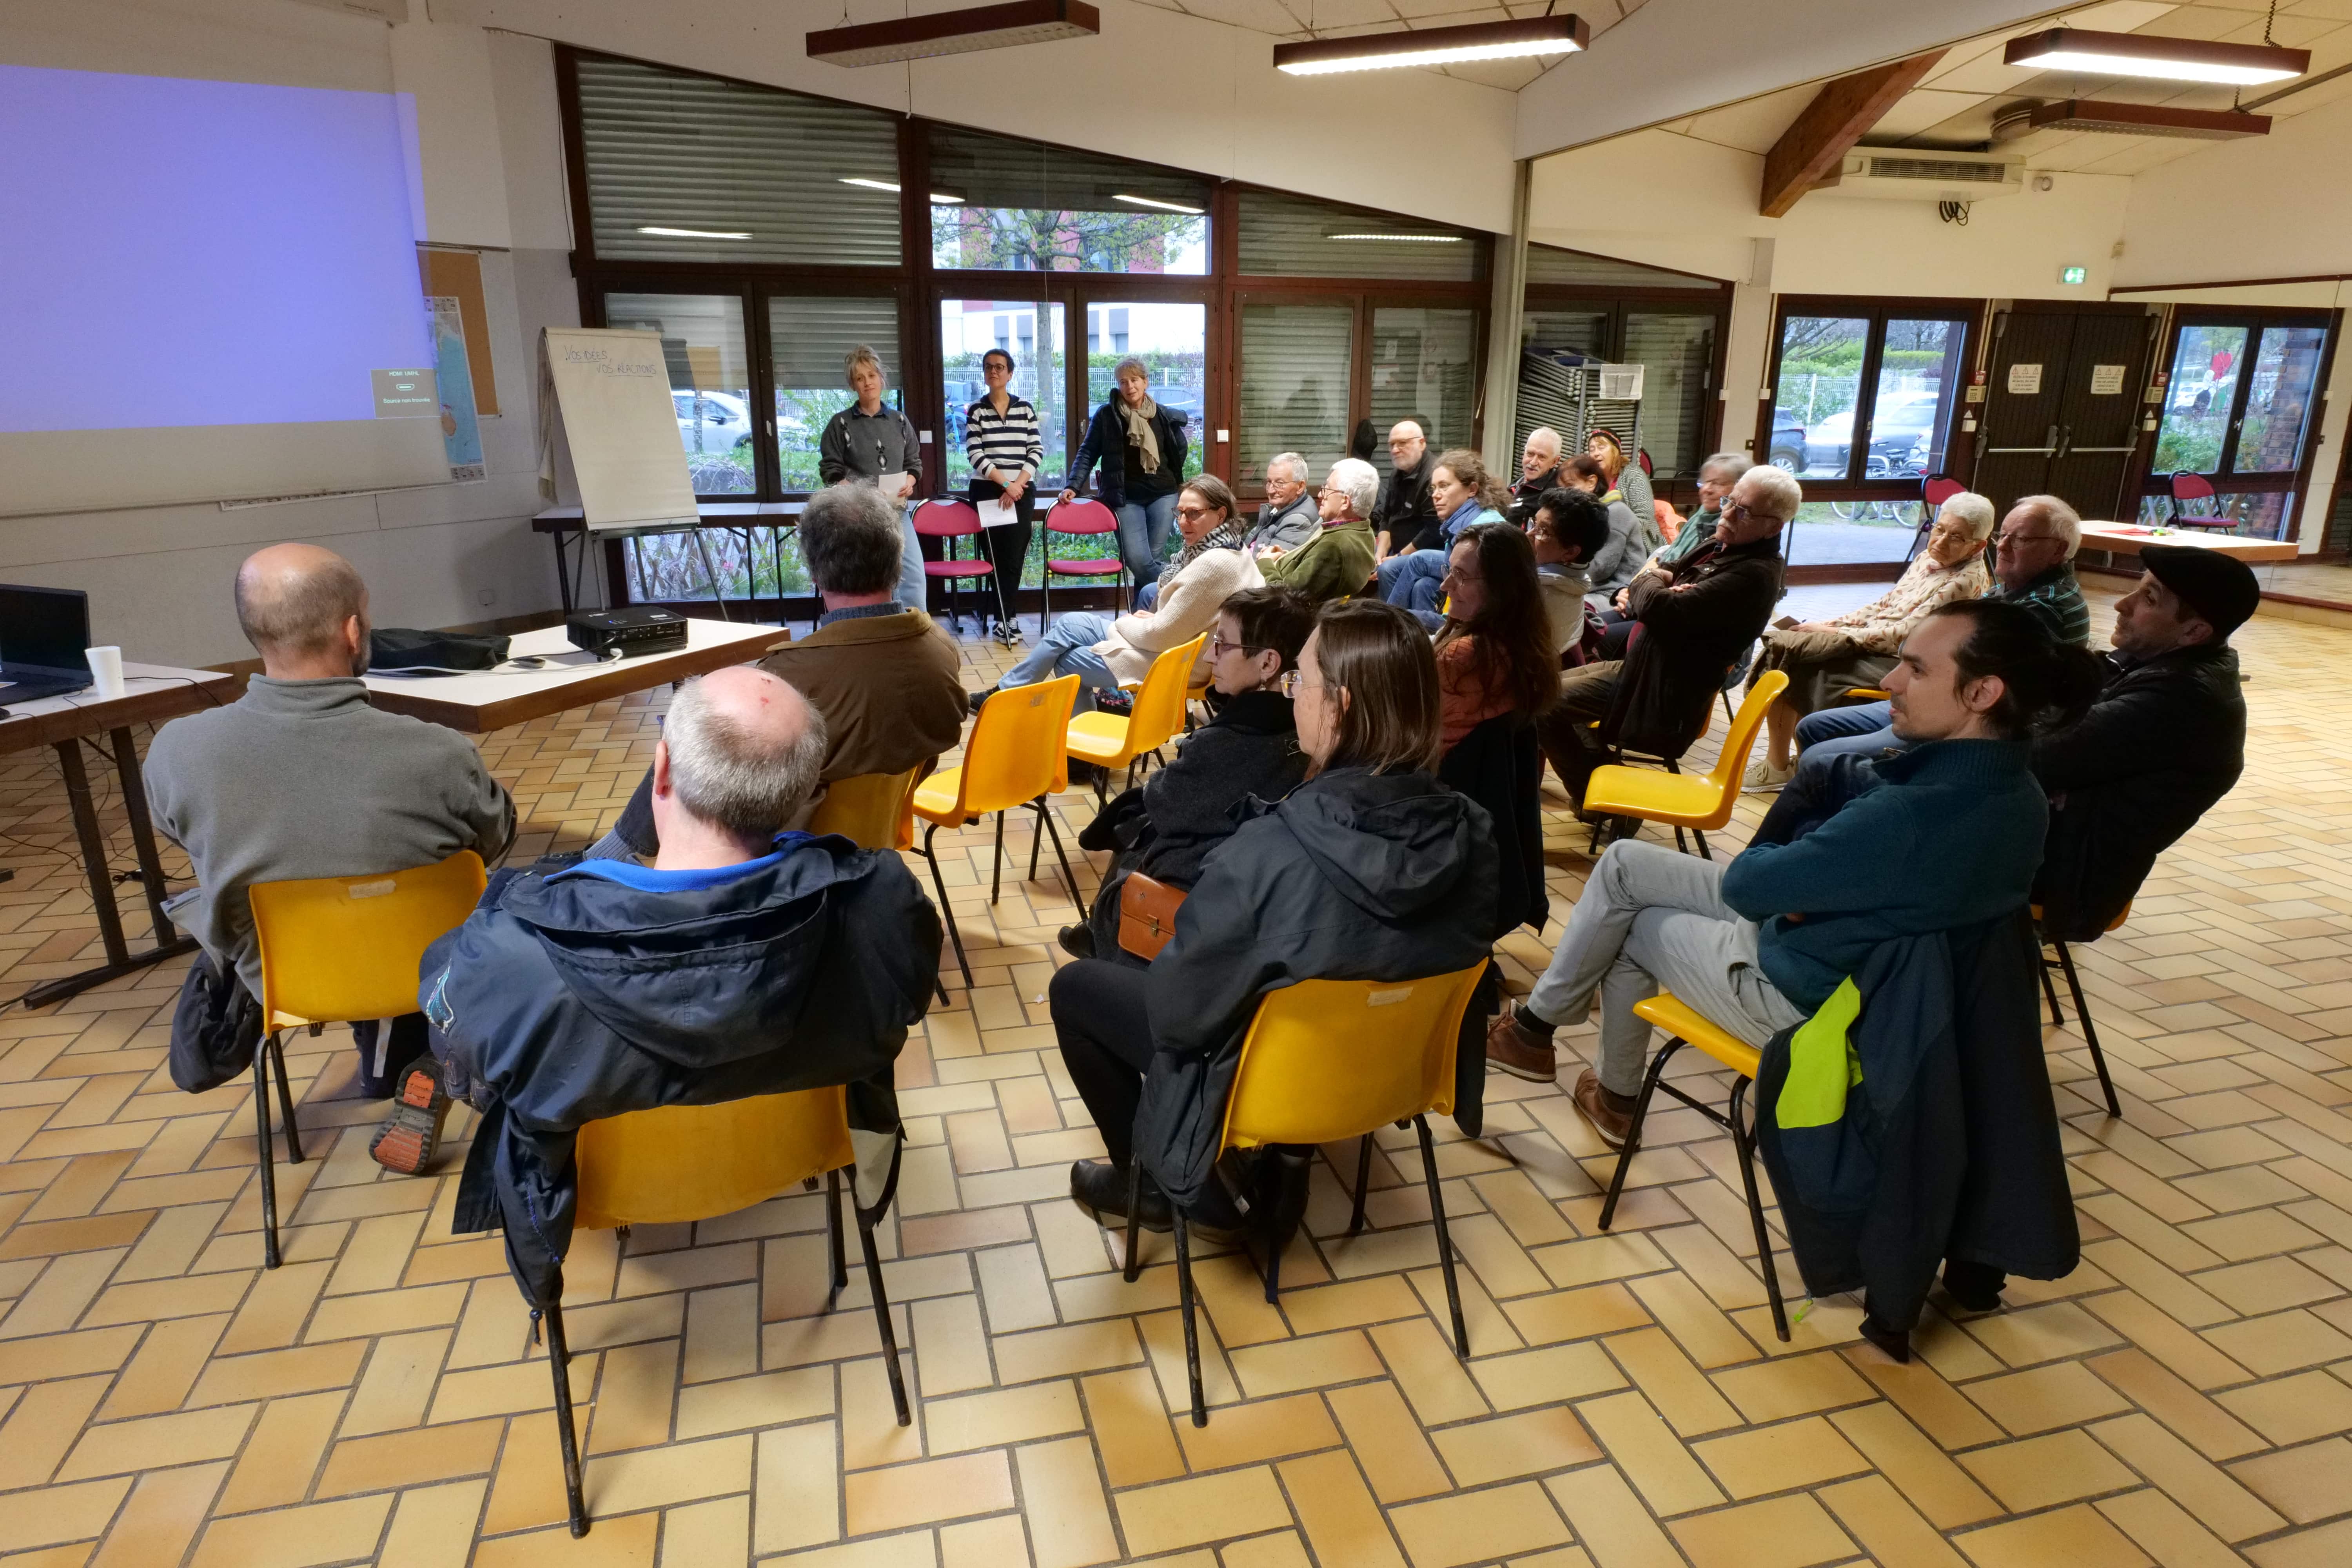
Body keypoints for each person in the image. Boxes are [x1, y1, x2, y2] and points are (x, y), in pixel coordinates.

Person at [1487, 600, 2103, 1172]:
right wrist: (1813, 882)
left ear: (1983, 693)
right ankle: (1536, 1031)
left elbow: (1754, 885)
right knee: (1624, 863)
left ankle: (1611, 1094)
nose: (1889, 682)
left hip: (1816, 1006)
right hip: (1861, 970)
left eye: (1914, 669)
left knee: (1630, 927)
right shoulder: (2020, 795)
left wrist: (1805, 877)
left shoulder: (1910, 813)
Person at [420, 668, 938, 1295]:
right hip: (803, 1146)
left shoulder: (514, 956)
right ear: (803, 791)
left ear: (659, 772)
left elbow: (454, 1031)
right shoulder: (881, 903)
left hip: (600, 1188)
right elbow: (903, 1001)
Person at [1052, 600, 1501, 1233]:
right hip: (1394, 1073)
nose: (1294, 698)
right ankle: (1289, 1167)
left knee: (1076, 987)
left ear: (1340, 706)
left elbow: (1181, 1014)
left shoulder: (1267, 853)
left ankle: (1147, 1184)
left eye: (1303, 681)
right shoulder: (1474, 833)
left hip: (1266, 1086)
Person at [145, 543, 514, 1111]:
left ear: (254, 631)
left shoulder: (177, 751)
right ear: (353, 630)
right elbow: (494, 838)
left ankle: (386, 1054)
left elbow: (180, 831)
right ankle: (423, 1058)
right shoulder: (436, 750)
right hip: (423, 967)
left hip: (282, 980)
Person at [600, 483, 968, 858]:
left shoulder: (788, 677)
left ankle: (613, 853)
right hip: (880, 840)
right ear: (896, 559)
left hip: (790, 854)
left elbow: (747, 786)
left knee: (690, 742)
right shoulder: (940, 650)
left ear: (814, 572)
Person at [1061, 586, 1316, 962]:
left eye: (1224, 645)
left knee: (1137, 824)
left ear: (1268, 664)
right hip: (1263, 889)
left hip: (1198, 898)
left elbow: (1166, 804)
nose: (1211, 654)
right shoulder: (1307, 724)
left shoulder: (1230, 744)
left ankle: (1103, 935)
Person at [1535, 465, 1795, 808]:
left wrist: (1652, 585)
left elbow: (1656, 603)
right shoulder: (1725, 545)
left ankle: (1601, 802)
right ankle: (1605, 791)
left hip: (1662, 693)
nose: (1727, 511)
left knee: (1540, 706)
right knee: (1540, 690)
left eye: (1742, 510)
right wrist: (1657, 583)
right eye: (1731, 501)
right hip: (1641, 668)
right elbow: (1661, 572)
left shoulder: (1753, 574)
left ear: (1772, 527)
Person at [2032, 544, 2252, 940]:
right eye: (2138, 587)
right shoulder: (2152, 660)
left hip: (2062, 873)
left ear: (2193, 631)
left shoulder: (2182, 698)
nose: (2122, 604)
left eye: (2149, 598)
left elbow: (2034, 756)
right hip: (2042, 835)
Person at [1791, 495, 2092, 767]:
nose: (2002, 546)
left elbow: (1981, 696)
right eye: (2004, 535)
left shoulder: (2042, 607)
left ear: (2058, 551)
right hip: (1942, 700)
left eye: (2021, 540)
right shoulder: (2014, 588)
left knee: (1820, 758)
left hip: (1967, 726)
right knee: (1812, 727)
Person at [1740, 491, 1995, 789]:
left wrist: (1838, 635)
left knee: (1805, 665)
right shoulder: (1929, 558)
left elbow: (1906, 636)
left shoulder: (1965, 579)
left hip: (1905, 660)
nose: (1940, 542)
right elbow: (1884, 605)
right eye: (1939, 530)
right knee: (1790, 648)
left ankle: (1791, 766)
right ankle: (1784, 764)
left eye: (1956, 537)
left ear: (1978, 545)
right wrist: (1827, 624)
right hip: (1876, 643)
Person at [975, 475, 1257, 716]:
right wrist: (1152, 621)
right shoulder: (1230, 547)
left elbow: (1160, 635)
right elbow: (1171, 613)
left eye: (1194, 514)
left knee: (1068, 659)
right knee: (1070, 624)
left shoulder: (1214, 562)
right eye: (1180, 513)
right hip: (1169, 645)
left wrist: (1131, 622)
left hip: (1175, 663)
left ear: (1221, 515)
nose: (1183, 522)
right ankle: (1005, 692)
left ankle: (1082, 750)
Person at [1598, 452, 1749, 658]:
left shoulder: (1730, 533)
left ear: (1740, 488)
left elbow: (1686, 586)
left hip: (1676, 624)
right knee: (1589, 626)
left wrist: (1638, 597)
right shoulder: (1700, 519)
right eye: (1705, 482)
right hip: (1652, 605)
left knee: (1599, 639)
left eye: (1719, 484)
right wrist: (1627, 592)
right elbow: (1662, 563)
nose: (1707, 490)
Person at [1434, 522, 1561, 753]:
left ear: (1501, 587)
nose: (1445, 585)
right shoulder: (1525, 644)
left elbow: (1414, 739)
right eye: (1449, 571)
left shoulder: (1463, 655)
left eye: (1460, 575)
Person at [818, 345, 926, 614]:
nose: (867, 383)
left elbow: (914, 463)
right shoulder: (840, 424)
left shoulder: (900, 421)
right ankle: (879, 635)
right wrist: (859, 493)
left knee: (913, 578)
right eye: (860, 378)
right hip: (859, 520)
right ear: (852, 385)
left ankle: (916, 634)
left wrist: (911, 481)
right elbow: (831, 471)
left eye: (872, 375)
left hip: (898, 514)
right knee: (869, 584)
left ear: (881, 378)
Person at [1065, 358, 1189, 589]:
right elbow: (1087, 453)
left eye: (1134, 380)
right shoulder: (1106, 416)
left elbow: (1180, 449)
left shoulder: (1162, 415)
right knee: (1139, 561)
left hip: (1163, 495)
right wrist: (1073, 485)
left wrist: (1172, 476)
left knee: (1153, 559)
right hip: (1125, 498)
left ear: (1145, 383)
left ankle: (1146, 617)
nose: (1129, 387)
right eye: (1123, 382)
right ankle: (1182, 590)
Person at [964, 347, 1044, 646]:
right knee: (995, 557)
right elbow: (975, 453)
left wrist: (1017, 485)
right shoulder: (977, 410)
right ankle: (1003, 620)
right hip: (988, 490)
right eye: (988, 367)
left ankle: (1008, 617)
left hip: (1021, 491)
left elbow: (1035, 451)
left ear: (1010, 373)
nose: (994, 371)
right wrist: (1004, 483)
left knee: (1014, 558)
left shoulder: (1025, 409)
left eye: (1000, 367)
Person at [1378, 449, 1510, 615]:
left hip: (1485, 619)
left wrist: (1410, 617)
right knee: (1424, 585)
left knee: (1418, 564)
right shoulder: (1465, 519)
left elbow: (1463, 615)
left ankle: (1390, 622)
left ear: (1472, 489)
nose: (1436, 495)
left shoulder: (1480, 534)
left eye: (1444, 486)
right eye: (1433, 488)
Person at [1262, 456, 1381, 604]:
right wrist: (1289, 558)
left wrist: (1265, 563)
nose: (1320, 495)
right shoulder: (1362, 530)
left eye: (1327, 490)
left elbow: (1287, 598)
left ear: (1345, 502)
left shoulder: (1334, 546)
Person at [1530, 487, 1612, 659]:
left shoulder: (1536, 594)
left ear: (1570, 553)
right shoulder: (1572, 579)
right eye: (1534, 524)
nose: (1529, 535)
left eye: (1542, 531)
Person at [1371, 421, 1439, 565]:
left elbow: (1433, 531)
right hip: (1396, 549)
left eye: (1402, 443)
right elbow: (1387, 517)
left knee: (1387, 570)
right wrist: (1381, 551)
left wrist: (1398, 557)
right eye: (1392, 445)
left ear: (1422, 443)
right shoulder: (1397, 474)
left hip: (1423, 555)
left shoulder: (1434, 476)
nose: (1395, 450)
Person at [1245, 453, 1321, 560]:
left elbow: (1269, 566)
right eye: (1269, 482)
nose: (1271, 490)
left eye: (1279, 483)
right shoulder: (1280, 508)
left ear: (1300, 486)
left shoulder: (1298, 521)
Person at [1588, 428, 1657, 543]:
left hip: (1637, 541)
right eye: (1592, 450)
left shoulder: (1634, 474)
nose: (1596, 453)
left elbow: (1645, 519)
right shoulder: (1592, 480)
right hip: (1600, 541)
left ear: (1615, 451)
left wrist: (1613, 533)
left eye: (1601, 447)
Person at [1510, 427, 1571, 526]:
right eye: (1530, 454)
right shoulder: (1516, 484)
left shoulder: (1554, 497)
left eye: (1542, 457)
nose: (1533, 462)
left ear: (1555, 462)